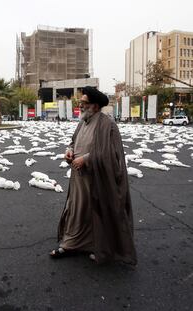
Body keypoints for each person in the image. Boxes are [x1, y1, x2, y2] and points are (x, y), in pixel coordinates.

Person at [50, 86, 137, 265]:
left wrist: (86, 159)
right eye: (80, 103)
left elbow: (112, 154)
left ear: (95, 106)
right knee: (77, 210)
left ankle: (100, 249)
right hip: (79, 178)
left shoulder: (108, 124)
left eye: (84, 103)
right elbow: (74, 141)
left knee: (98, 212)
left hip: (98, 179)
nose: (80, 106)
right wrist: (69, 151)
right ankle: (70, 244)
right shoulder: (83, 121)